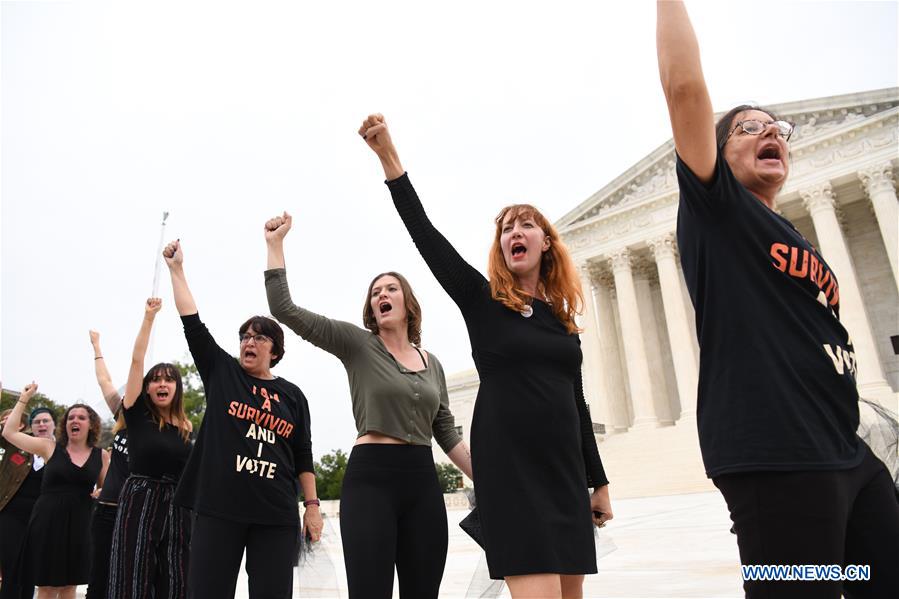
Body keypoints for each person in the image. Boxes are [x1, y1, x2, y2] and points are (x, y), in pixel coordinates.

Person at [656, 2, 899, 597]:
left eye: (779, 128)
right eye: (749, 127)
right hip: (776, 457)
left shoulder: (789, 232)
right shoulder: (718, 213)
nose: (771, 132)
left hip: (847, 452)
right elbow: (684, 88)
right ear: (716, 151)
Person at [359, 114, 612, 599]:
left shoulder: (563, 324)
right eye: (505, 229)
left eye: (525, 225)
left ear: (546, 243)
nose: (513, 232)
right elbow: (426, 236)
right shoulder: (483, 302)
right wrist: (390, 159)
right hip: (511, 471)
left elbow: (576, 405)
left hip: (564, 474)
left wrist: (597, 482)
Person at [264, 212, 473, 598]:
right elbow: (284, 309)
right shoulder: (357, 344)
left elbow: (445, 433)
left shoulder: (433, 363)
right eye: (376, 292)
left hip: (422, 483)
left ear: (409, 304)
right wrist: (275, 245)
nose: (381, 295)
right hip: (371, 481)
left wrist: (491, 480)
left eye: (391, 289)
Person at [162, 239, 321, 599]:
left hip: (276, 514)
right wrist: (177, 270)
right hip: (220, 509)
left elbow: (303, 457)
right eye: (245, 336)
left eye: (260, 337)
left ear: (275, 351)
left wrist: (312, 508)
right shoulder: (223, 373)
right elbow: (193, 324)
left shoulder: (293, 396)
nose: (249, 341)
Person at [107, 298, 193, 599]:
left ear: (177, 388)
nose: (162, 384)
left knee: (177, 576)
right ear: (146, 388)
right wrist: (148, 318)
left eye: (169, 379)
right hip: (141, 496)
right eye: (155, 380)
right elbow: (136, 362)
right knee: (134, 573)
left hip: (178, 504)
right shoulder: (136, 413)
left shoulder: (185, 428)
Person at [1, 384, 108, 599]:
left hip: (80, 522)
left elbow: (107, 487)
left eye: (81, 417)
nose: (74, 421)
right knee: (47, 587)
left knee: (70, 586)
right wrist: (23, 399)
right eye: (70, 417)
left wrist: (102, 492)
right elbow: (9, 432)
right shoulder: (49, 447)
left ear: (92, 425)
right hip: (47, 521)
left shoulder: (101, 455)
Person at [85, 330, 130, 599]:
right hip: (107, 511)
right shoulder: (123, 418)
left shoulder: (160, 434)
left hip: (134, 513)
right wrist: (97, 346)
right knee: (98, 580)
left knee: (125, 580)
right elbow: (105, 380)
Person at [0, 400, 55, 599]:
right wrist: (22, 400)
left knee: (30, 569)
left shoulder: (62, 451)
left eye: (46, 421)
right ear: (29, 426)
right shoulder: (16, 445)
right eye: (37, 422)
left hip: (40, 518)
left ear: (54, 424)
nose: (41, 425)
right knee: (10, 564)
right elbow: (5, 431)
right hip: (11, 513)